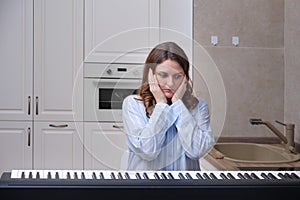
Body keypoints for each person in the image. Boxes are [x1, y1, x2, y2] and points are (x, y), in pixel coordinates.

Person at [122, 41, 215, 170]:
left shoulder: (199, 107)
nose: (170, 83)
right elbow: (147, 151)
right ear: (151, 75)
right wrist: (161, 105)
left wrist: (178, 104)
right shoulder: (133, 104)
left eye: (177, 76)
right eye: (163, 75)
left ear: (186, 77)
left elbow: (197, 151)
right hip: (146, 188)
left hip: (184, 188)